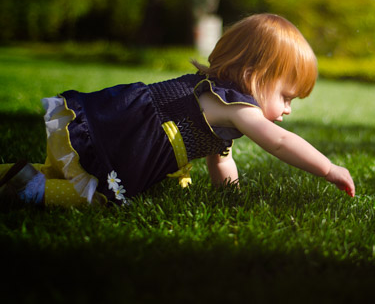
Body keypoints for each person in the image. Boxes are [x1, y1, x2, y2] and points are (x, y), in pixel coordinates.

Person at [0, 14, 355, 207]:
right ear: (253, 78)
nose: (288, 110)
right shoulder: (237, 107)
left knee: (60, 169)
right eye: (287, 97)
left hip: (95, 128)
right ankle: (30, 192)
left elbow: (221, 158)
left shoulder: (220, 99)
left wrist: (228, 197)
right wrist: (328, 168)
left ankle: (15, 174)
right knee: (93, 194)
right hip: (117, 141)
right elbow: (278, 142)